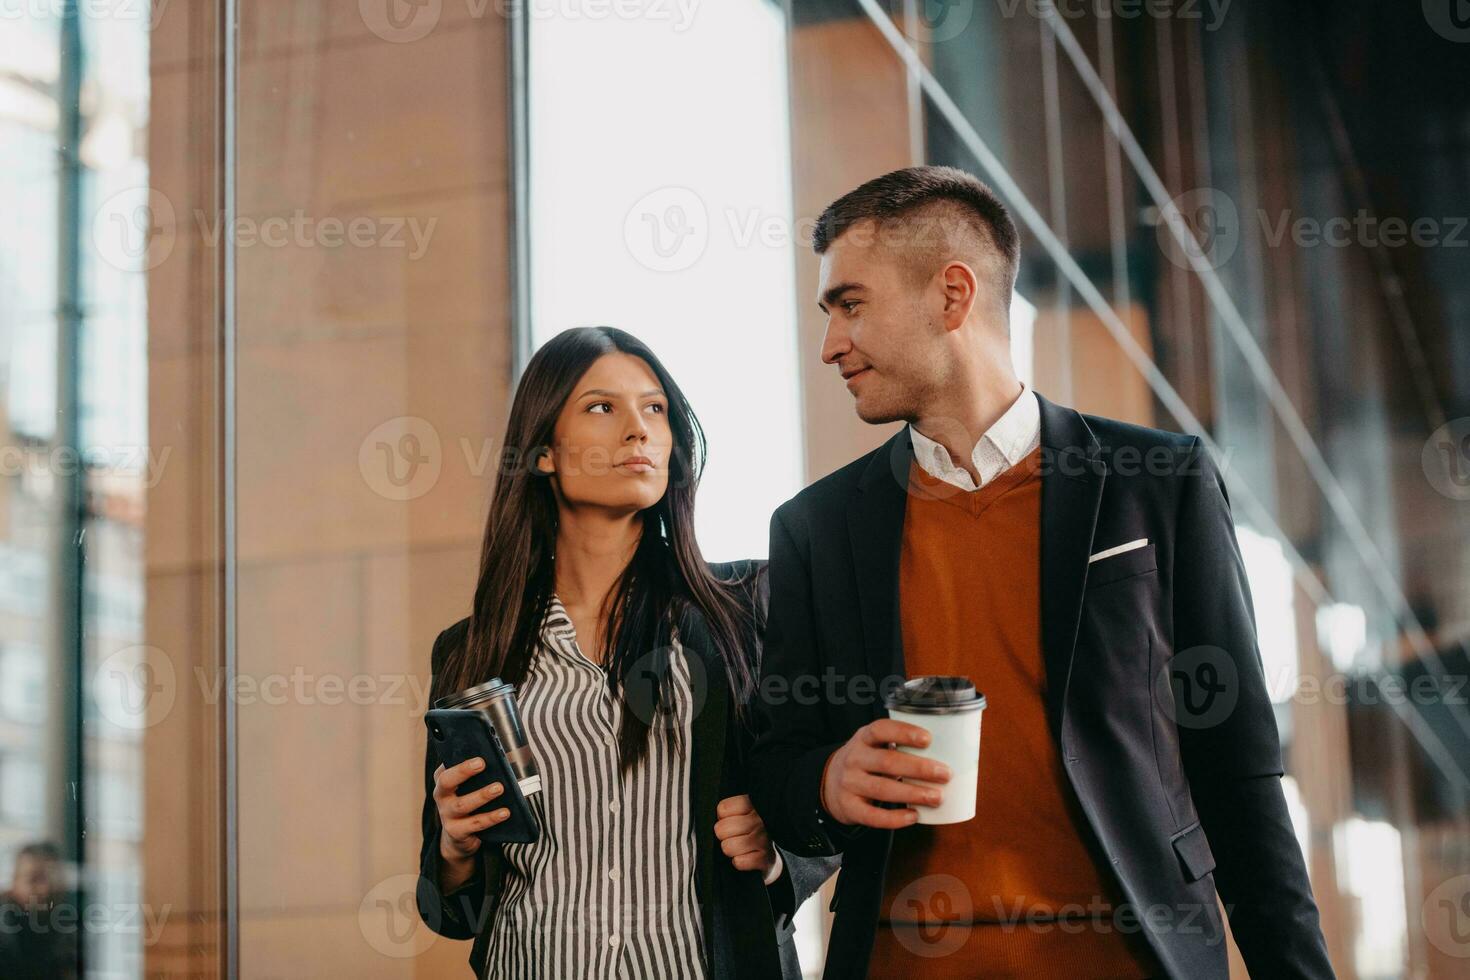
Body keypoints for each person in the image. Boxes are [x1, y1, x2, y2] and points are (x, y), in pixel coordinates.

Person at [747, 165, 1335, 978]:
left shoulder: (1158, 482)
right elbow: (777, 763)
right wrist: (825, 781)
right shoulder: (814, 529)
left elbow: (1237, 769)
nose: (829, 345)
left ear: (953, 296)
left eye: (851, 305)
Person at [415, 326, 837, 979]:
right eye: (602, 407)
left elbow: (822, 782)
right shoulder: (471, 650)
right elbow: (456, 909)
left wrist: (778, 856)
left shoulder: (750, 606)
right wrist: (455, 846)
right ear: (544, 452)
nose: (638, 429)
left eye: (655, 408)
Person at [0, 842, 77, 980]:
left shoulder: (69, 925)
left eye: (52, 879)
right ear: (13, 883)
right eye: (33, 880)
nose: (45, 889)